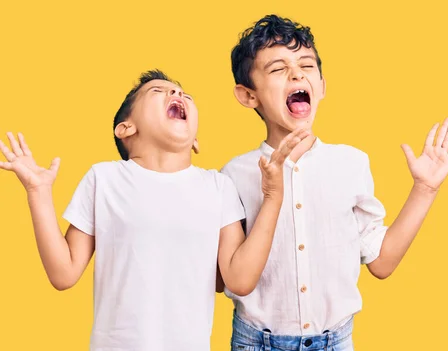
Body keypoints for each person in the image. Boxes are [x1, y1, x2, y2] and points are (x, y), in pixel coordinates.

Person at [0, 69, 308, 350]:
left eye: (184, 94)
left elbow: (238, 280)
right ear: (126, 128)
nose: (177, 94)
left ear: (196, 141)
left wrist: (273, 197)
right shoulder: (104, 179)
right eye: (159, 91)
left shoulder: (218, 187)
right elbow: (63, 272)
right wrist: (38, 192)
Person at [222, 15, 448, 351]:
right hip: (257, 342)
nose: (296, 73)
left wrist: (425, 190)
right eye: (277, 69)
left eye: (306, 65)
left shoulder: (351, 163)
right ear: (248, 96)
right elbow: (233, 277)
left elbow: (381, 262)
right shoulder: (234, 174)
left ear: (321, 85)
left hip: (335, 342)